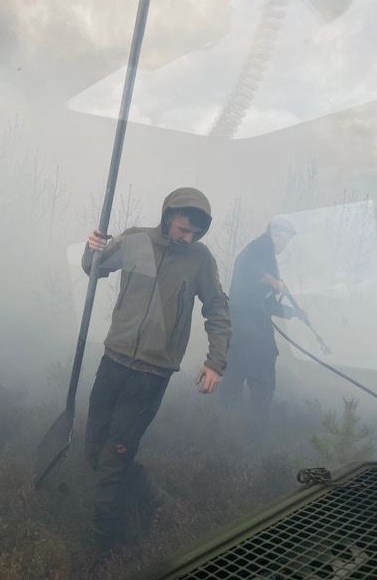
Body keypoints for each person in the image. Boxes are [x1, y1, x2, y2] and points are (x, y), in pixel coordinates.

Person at [81, 187, 231, 568]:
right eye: (182, 229)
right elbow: (94, 269)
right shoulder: (137, 240)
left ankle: (104, 550)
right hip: (114, 360)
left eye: (195, 233)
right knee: (96, 450)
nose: (187, 238)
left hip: (152, 374)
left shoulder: (200, 260)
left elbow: (217, 308)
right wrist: (93, 247)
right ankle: (155, 500)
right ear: (168, 217)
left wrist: (215, 362)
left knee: (113, 462)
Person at [220, 217, 306, 443]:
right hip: (253, 334)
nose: (285, 245)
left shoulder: (261, 252)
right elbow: (250, 268)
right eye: (286, 238)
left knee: (232, 382)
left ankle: (218, 433)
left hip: (239, 330)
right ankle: (254, 442)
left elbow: (264, 302)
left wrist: (294, 313)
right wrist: (273, 281)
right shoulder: (261, 247)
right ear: (277, 234)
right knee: (262, 387)